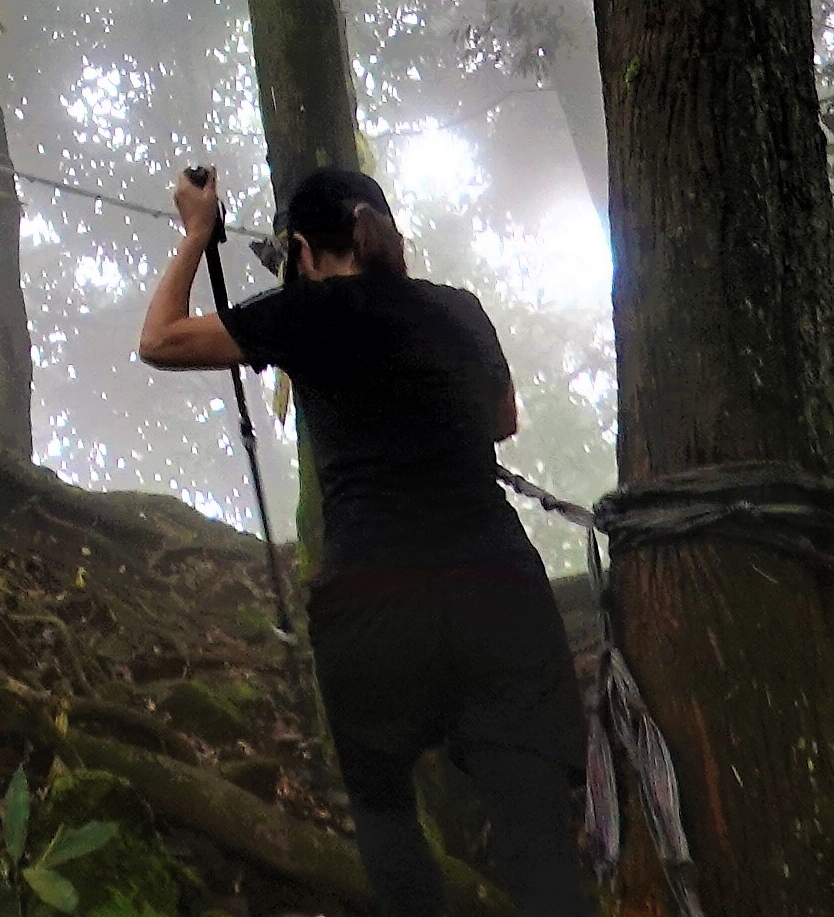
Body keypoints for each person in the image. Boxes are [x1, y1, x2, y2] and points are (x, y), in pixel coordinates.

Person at [139, 160, 591, 917]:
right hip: (499, 595)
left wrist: (196, 234)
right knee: (538, 843)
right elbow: (503, 418)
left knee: (385, 812)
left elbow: (160, 340)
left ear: (306, 253)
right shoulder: (459, 310)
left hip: (375, 603)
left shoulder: (309, 314)